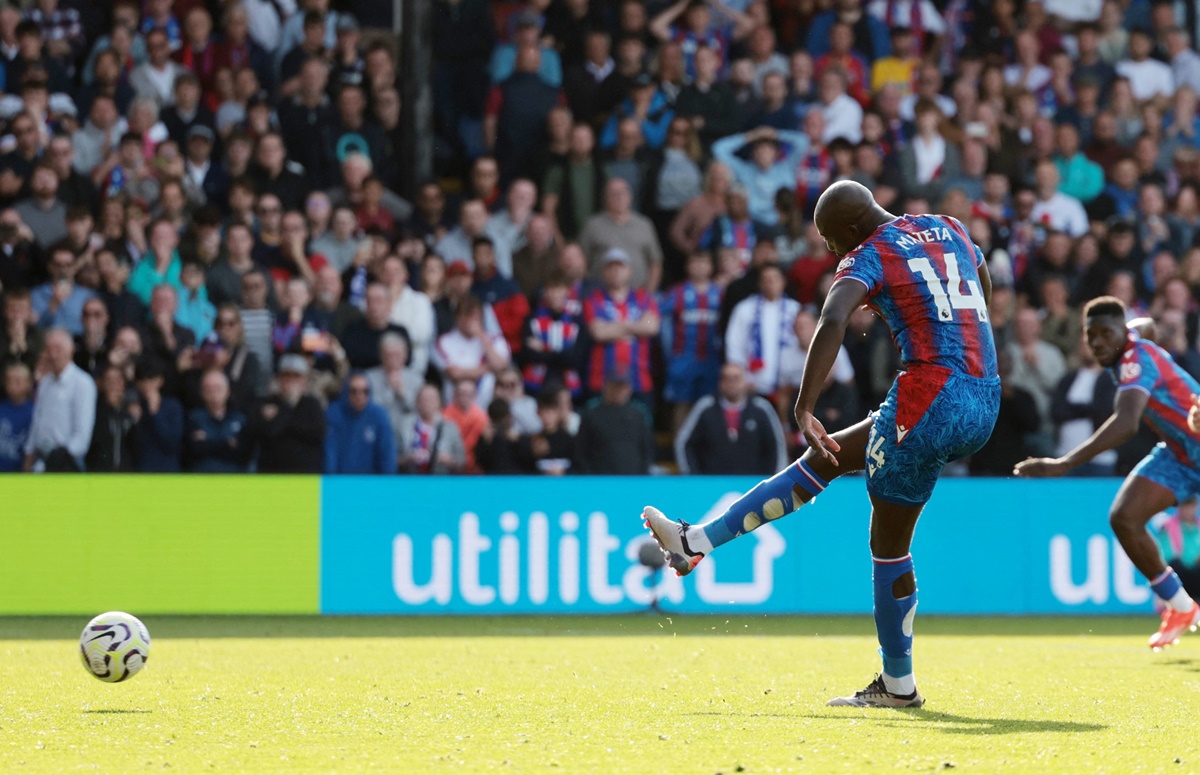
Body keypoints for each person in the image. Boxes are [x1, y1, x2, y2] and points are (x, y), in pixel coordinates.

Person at [643, 180, 1000, 707]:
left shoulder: (869, 252)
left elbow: (834, 318)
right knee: (827, 458)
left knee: (887, 547)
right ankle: (695, 542)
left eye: (832, 241)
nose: (833, 252)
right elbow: (984, 281)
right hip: (985, 397)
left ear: (851, 230)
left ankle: (898, 686)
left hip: (930, 396)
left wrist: (805, 403)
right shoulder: (949, 227)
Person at [1016, 296, 1200, 650]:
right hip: (1179, 454)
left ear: (1121, 334)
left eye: (1105, 334)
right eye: (1091, 335)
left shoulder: (1134, 361)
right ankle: (1180, 606)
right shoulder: (1130, 338)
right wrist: (1133, 329)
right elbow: (1145, 327)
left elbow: (1127, 422)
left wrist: (1064, 463)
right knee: (1125, 517)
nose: (1098, 342)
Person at [675, 362, 787, 475]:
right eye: (726, 378)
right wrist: (692, 477)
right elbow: (684, 442)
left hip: (753, 485)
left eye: (736, 378)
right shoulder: (705, 407)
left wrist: (774, 481)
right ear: (720, 383)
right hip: (711, 484)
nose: (731, 383)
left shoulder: (761, 408)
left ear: (745, 382)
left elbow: (777, 445)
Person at [24, 328, 97, 472]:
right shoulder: (45, 382)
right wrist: (29, 454)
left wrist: (60, 458)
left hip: (67, 464)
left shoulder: (82, 383)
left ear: (70, 350)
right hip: (40, 463)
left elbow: (82, 435)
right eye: (48, 349)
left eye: (58, 348)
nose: (52, 354)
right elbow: (37, 421)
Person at [253, 353, 327, 473]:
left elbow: (316, 434)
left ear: (305, 380)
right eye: (286, 375)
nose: (291, 381)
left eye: (296, 376)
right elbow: (269, 433)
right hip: (272, 478)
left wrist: (282, 418)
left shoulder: (312, 404)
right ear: (278, 379)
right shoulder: (267, 403)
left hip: (305, 478)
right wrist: (289, 406)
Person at [324, 371, 397, 474]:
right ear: (346, 392)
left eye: (365, 391)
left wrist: (387, 485)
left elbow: (387, 455)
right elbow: (330, 453)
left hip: (371, 484)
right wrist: (331, 483)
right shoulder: (334, 413)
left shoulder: (379, 415)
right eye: (354, 391)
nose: (359, 395)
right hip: (340, 482)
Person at [186, 369, 250, 473]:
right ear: (202, 393)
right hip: (202, 479)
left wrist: (209, 442)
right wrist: (226, 443)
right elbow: (194, 450)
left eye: (218, 389)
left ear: (228, 391)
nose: (213, 394)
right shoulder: (194, 418)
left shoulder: (240, 419)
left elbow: (242, 453)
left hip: (233, 480)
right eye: (208, 389)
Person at [398, 382, 465, 474]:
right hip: (411, 480)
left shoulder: (450, 427)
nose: (427, 403)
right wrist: (408, 458)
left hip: (440, 481)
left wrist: (448, 460)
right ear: (417, 402)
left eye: (431, 399)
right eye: (424, 399)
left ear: (439, 402)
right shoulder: (404, 425)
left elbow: (462, 464)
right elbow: (392, 459)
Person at [0, 362, 34, 471]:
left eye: (18, 381)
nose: (13, 386)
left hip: (20, 475)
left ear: (28, 384)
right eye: (9, 381)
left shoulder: (34, 413)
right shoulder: (1, 409)